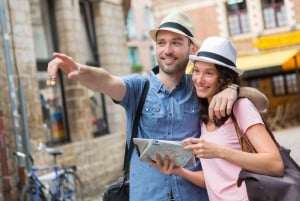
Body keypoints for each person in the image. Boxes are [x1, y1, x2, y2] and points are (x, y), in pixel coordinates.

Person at [47, 10, 269, 201]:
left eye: (176, 42)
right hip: (147, 195)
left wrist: (234, 89)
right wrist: (81, 70)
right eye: (161, 43)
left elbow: (261, 102)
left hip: (195, 195)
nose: (167, 50)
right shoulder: (138, 88)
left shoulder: (200, 88)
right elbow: (106, 81)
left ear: (193, 48)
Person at [148, 36, 284, 201]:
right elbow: (214, 181)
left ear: (224, 77)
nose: (199, 79)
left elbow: (275, 164)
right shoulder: (203, 116)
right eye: (197, 71)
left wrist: (219, 151)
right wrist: (178, 170)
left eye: (209, 73)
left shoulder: (241, 107)